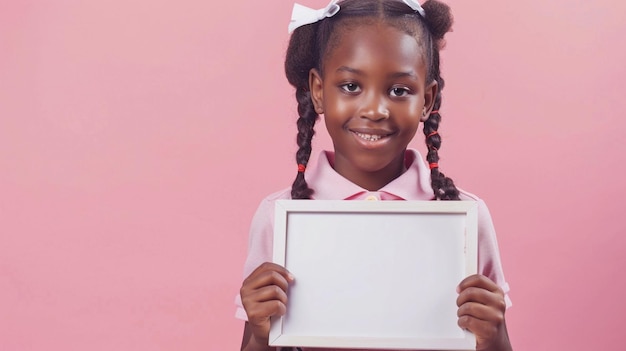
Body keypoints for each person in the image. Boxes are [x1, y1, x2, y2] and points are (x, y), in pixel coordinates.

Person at [235, 0, 512, 350]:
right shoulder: (279, 216)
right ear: (319, 91)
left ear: (427, 100)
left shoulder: (464, 217)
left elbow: (490, 339)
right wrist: (261, 331)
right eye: (351, 86)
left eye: (399, 90)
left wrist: (494, 334)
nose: (375, 110)